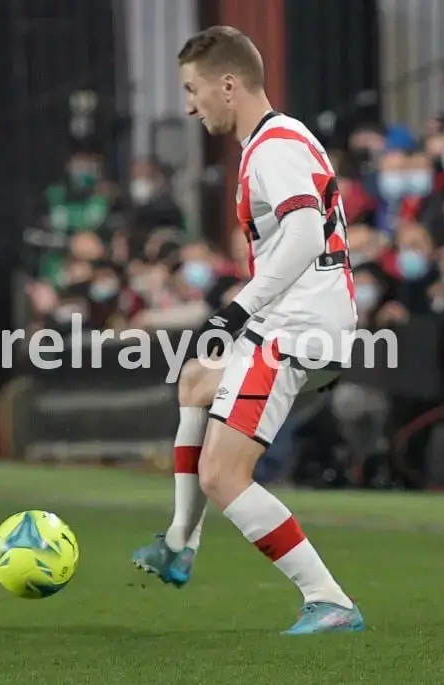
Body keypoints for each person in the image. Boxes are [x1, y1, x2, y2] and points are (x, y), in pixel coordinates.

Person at [130, 26, 364, 635]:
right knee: (194, 382)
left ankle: (329, 600)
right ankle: (180, 542)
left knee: (222, 475)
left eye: (193, 89)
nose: (189, 105)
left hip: (297, 328)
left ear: (228, 86)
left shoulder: (273, 148)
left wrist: (237, 310)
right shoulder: (280, 139)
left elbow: (306, 236)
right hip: (308, 324)